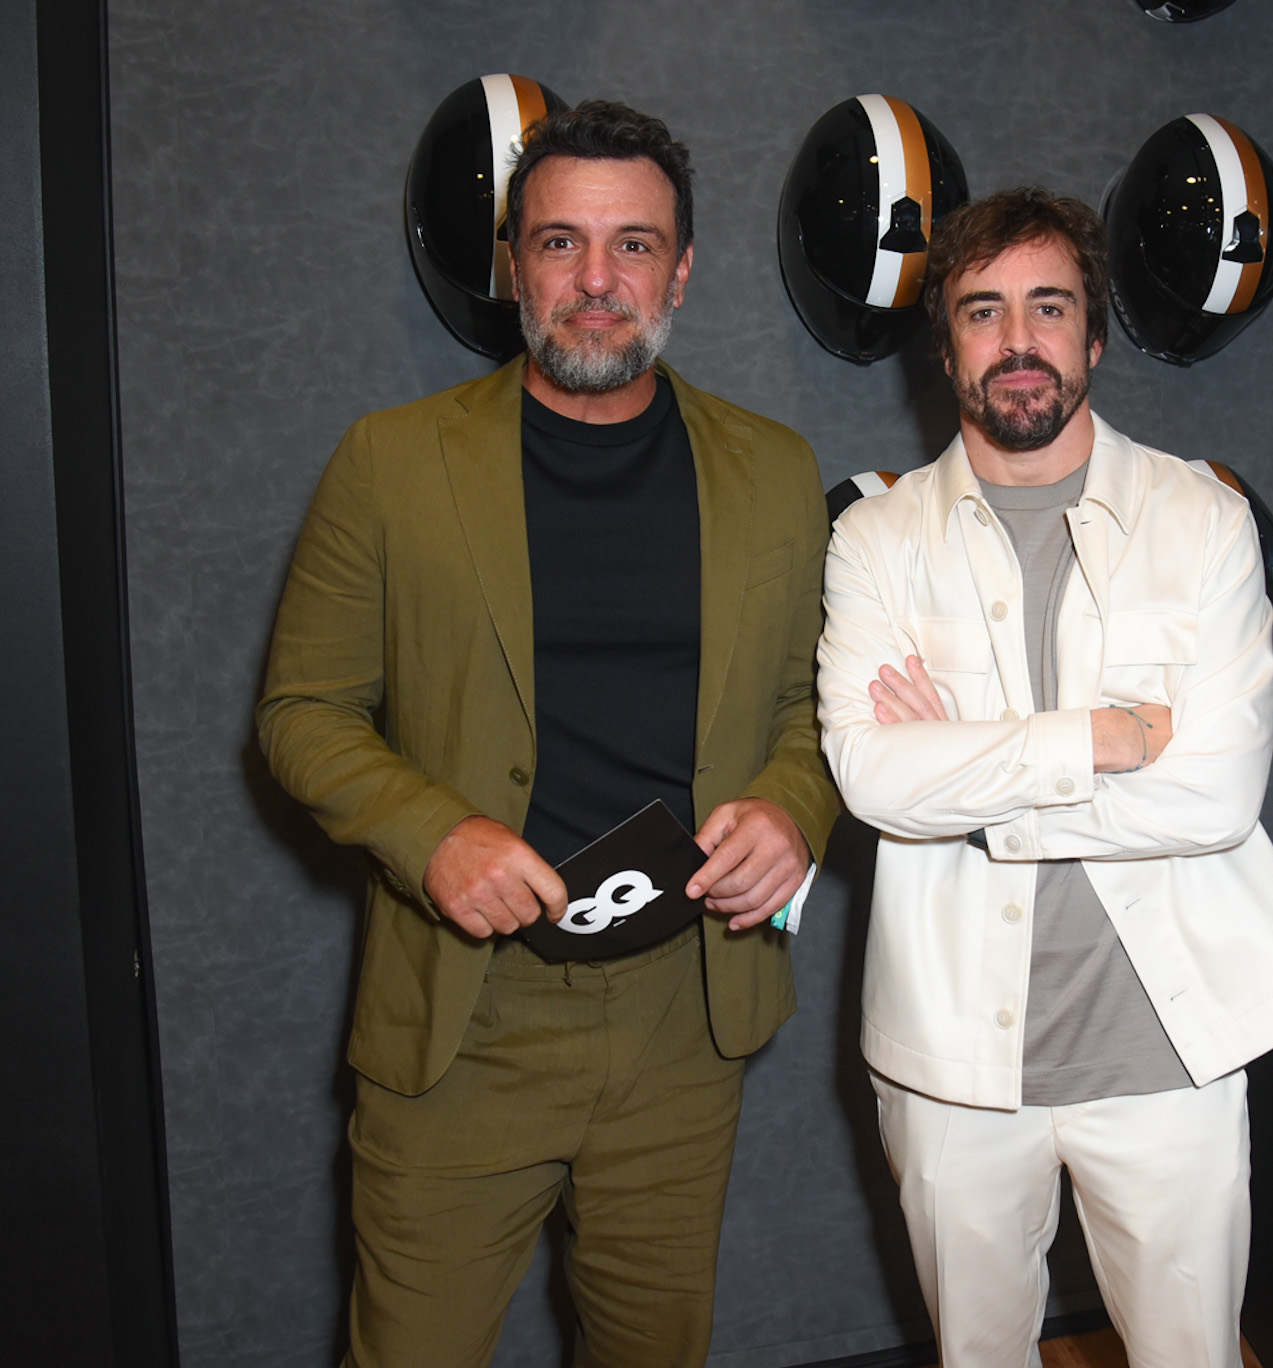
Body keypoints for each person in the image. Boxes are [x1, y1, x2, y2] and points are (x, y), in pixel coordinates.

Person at [257, 101, 839, 1368]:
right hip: (465, 1017)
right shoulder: (389, 464)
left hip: (686, 1012)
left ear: (680, 271)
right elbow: (301, 711)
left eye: (634, 245)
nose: (595, 280)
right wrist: (432, 835)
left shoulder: (776, 471)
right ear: (513, 263)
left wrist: (795, 809)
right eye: (560, 242)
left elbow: (809, 712)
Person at [816, 187, 1273, 1368]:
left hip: (1167, 1054)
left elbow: (1216, 797)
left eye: (1047, 307)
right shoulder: (875, 540)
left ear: (1093, 337)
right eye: (982, 311)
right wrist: (1092, 739)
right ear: (944, 346)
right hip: (950, 1058)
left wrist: (971, 789)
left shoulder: (1201, 521)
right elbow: (869, 778)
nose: (1017, 340)